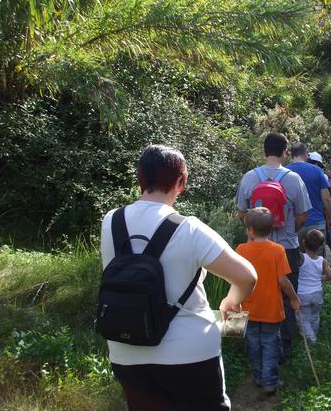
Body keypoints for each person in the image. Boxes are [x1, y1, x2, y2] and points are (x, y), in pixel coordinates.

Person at [100, 145, 257, 410]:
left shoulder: (110, 221)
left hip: (126, 351)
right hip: (191, 354)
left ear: (139, 178)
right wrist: (232, 301)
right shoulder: (189, 229)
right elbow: (247, 276)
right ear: (181, 182)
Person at [235, 132, 311, 363]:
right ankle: (284, 348)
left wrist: (256, 230)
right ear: (285, 152)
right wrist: (286, 230)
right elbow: (302, 215)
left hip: (253, 250)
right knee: (286, 296)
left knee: (251, 295)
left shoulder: (249, 177)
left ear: (264, 151)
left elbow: (241, 213)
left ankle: (252, 348)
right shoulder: (293, 178)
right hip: (286, 247)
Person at [236, 207, 301, 394]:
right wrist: (294, 299)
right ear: (271, 229)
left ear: (250, 230)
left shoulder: (241, 249)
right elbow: (283, 281)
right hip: (271, 310)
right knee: (270, 344)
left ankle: (258, 376)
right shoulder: (278, 250)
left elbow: (237, 277)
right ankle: (269, 381)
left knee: (253, 344)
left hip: (248, 309)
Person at [287, 145, 331, 250]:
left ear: (291, 154)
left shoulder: (285, 172)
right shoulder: (317, 171)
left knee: (296, 262)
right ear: (306, 154)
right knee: (317, 261)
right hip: (316, 224)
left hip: (294, 225)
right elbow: (327, 199)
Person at [297, 229, 331, 344]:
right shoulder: (322, 260)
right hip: (317, 293)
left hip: (303, 294)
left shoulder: (301, 258)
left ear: (304, 243)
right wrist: (319, 278)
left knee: (304, 319)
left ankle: (312, 340)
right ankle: (315, 334)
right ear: (320, 248)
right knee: (315, 316)